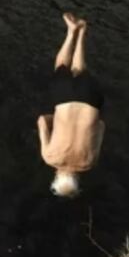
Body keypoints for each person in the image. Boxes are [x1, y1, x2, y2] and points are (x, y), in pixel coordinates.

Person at [37, 13, 104, 198]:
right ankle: (71, 31)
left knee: (79, 71)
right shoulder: (49, 157)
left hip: (91, 100)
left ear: (77, 180)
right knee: (61, 66)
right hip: (64, 101)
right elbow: (42, 121)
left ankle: (82, 32)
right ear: (56, 178)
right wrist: (56, 119)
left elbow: (100, 125)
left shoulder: (90, 162)